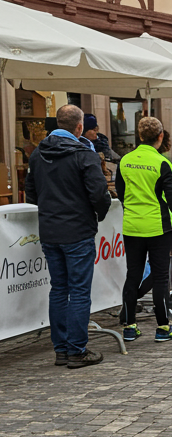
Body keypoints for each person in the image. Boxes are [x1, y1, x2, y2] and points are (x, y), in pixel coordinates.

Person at [24, 104, 111, 369]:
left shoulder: (38, 154)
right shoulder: (84, 154)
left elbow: (31, 193)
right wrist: (99, 213)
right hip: (77, 230)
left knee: (59, 289)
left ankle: (62, 348)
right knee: (79, 291)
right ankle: (76, 350)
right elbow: (99, 194)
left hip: (51, 230)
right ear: (79, 127)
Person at [117, 117, 172, 344]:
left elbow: (120, 191)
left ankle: (129, 326)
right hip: (158, 227)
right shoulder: (161, 162)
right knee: (159, 278)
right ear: (160, 137)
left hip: (132, 225)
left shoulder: (125, 160)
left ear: (139, 136)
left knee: (133, 275)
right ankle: (163, 327)